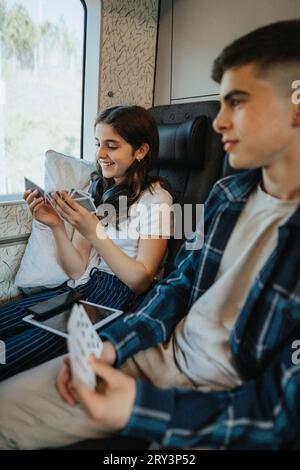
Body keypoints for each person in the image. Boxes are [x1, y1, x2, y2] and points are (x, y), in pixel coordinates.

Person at [1, 19, 300, 450]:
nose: (218, 124)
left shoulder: (160, 203)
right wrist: (113, 345)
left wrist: (138, 405)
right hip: (155, 345)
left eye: (237, 102)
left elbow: (278, 415)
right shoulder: (227, 196)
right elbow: (177, 287)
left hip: (199, 372)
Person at [0, 105, 173, 381]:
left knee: (7, 356)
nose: (101, 154)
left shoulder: (157, 200)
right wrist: (55, 225)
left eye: (112, 145)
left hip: (119, 299)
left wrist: (95, 233)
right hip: (82, 287)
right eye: (98, 144)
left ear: (140, 151)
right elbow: (76, 270)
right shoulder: (99, 191)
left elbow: (142, 280)